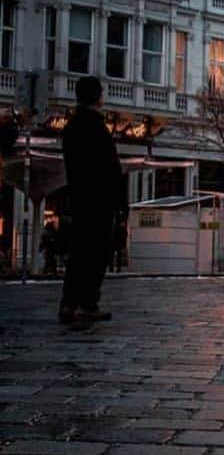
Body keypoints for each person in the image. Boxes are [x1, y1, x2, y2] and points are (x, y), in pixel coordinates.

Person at [58, 76, 128, 326]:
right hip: (100, 202)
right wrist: (121, 204)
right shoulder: (98, 128)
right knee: (96, 255)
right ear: (97, 97)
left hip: (79, 199)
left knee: (78, 254)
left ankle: (68, 304)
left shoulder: (71, 127)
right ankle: (87, 305)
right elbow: (112, 169)